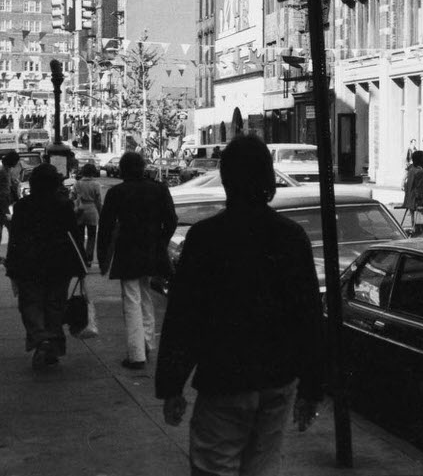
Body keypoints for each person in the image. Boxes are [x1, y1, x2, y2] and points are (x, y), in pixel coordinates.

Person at [156, 135, 323, 476]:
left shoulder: (205, 237)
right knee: (263, 466)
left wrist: (172, 385)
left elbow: (184, 317)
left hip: (224, 379)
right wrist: (312, 387)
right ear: (268, 177)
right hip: (278, 380)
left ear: (227, 178)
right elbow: (307, 315)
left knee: (214, 467)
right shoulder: (291, 236)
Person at [98, 150, 178, 369]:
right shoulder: (159, 189)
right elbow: (171, 220)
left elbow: (105, 227)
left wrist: (102, 256)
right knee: (145, 297)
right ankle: (147, 344)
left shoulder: (117, 192)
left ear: (123, 169)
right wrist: (161, 241)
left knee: (132, 300)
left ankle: (137, 354)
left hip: (127, 251)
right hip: (152, 250)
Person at [4, 163, 86, 369]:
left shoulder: (22, 206)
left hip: (28, 263)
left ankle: (41, 339)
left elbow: (14, 238)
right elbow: (74, 236)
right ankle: (52, 345)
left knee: (31, 304)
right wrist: (81, 263)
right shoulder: (63, 204)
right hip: (59, 263)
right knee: (55, 305)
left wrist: (11, 265)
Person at [71, 162, 104, 267]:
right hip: (92, 210)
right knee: (91, 236)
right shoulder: (96, 184)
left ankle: (81, 258)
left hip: (80, 210)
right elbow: (98, 201)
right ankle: (89, 259)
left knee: (80, 236)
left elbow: (72, 197)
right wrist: (100, 212)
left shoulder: (77, 183)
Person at [401, 149, 423, 236]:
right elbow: (419, 189)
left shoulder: (412, 170)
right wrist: (421, 204)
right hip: (419, 204)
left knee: (416, 225)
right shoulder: (419, 172)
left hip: (413, 202)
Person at [0, 150, 22, 240]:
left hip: (4, 200)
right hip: (1, 200)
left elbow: (10, 186)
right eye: (15, 161)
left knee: (0, 227)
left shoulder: (7, 170)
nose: (16, 163)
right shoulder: (1, 171)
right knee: (10, 225)